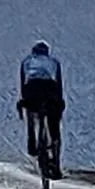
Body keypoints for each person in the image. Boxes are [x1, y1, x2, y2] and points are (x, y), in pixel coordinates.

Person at [16, 40, 65, 177]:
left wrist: (22, 101)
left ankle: (32, 141)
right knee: (53, 124)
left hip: (31, 89)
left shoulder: (27, 61)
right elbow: (59, 84)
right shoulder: (54, 62)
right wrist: (60, 104)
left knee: (31, 112)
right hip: (50, 89)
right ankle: (55, 160)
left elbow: (22, 82)